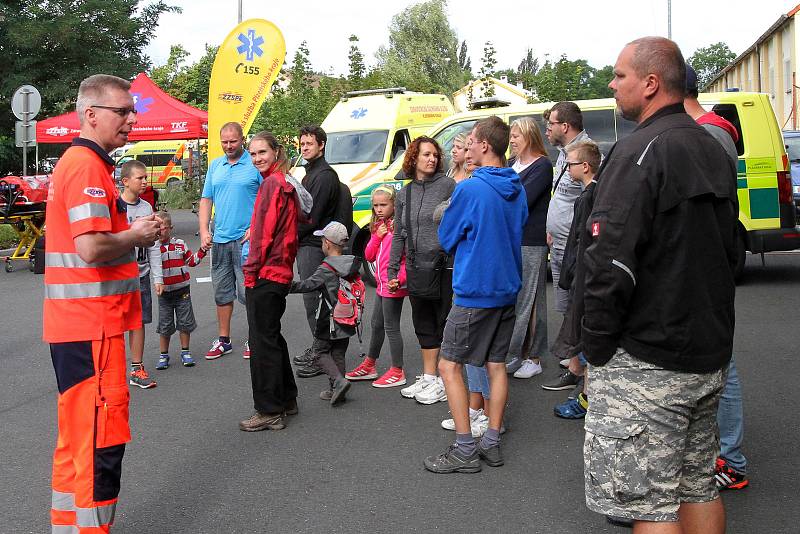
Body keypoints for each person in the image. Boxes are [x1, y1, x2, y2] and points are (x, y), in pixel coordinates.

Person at [582, 37, 737, 533]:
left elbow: (609, 264)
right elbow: (729, 251)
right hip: (706, 352)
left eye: (620, 75)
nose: (612, 84)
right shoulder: (710, 146)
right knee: (696, 485)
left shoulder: (636, 152)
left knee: (648, 503)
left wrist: (596, 347)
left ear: (650, 84)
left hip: (649, 361)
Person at [44, 73, 161, 533]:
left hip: (77, 327)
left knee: (77, 443)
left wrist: (133, 234)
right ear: (91, 114)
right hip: (93, 329)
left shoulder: (77, 163)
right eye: (123, 112)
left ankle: (69, 527)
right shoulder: (87, 166)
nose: (131, 120)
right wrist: (137, 234)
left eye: (131, 111)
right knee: (99, 445)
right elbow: (91, 247)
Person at [424, 116, 528, 473]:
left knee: (449, 365)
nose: (466, 147)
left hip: (475, 290)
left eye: (470, 142)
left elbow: (447, 237)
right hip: (508, 288)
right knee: (496, 365)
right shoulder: (516, 184)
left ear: (484, 145)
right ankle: (492, 440)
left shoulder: (469, 189)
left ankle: (465, 448)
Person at [684, 64, 749, 491]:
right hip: (712, 259)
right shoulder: (716, 130)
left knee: (719, 361)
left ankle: (731, 459)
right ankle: (721, 450)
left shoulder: (706, 133)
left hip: (706, 263)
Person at [239, 131, 307, 431]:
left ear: (276, 151)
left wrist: (250, 272)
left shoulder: (272, 184)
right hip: (280, 272)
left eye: (261, 153)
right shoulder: (286, 182)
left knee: (262, 342)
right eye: (252, 154)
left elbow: (262, 235)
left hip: (267, 273)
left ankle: (269, 410)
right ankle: (287, 399)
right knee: (272, 337)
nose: (256, 159)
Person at [387, 137, 456, 405]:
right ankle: (429, 377)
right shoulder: (405, 193)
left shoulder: (448, 186)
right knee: (422, 321)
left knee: (443, 320)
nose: (432, 159)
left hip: (443, 264)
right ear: (414, 158)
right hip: (416, 265)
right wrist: (393, 270)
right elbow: (398, 234)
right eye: (426, 154)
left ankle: (442, 378)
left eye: (435, 155)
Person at [542, 101, 594, 391]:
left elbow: (587, 200)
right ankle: (575, 359)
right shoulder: (564, 154)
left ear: (565, 126)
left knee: (577, 307)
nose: (548, 129)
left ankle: (580, 368)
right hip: (559, 240)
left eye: (551, 123)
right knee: (566, 305)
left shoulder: (583, 152)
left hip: (572, 244)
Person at [198, 122, 262, 360]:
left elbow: (267, 200)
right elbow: (206, 200)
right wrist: (204, 230)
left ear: (242, 139)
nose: (228, 146)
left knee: (249, 292)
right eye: (224, 142)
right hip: (221, 240)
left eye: (233, 141)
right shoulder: (215, 166)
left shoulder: (254, 164)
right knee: (222, 292)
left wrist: (256, 227)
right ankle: (224, 340)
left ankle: (254, 338)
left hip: (246, 241)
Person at [549, 140, 602, 420]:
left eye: (570, 164)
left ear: (585, 166)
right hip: (581, 273)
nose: (567, 168)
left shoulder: (588, 197)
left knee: (582, 331)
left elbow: (579, 242)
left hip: (583, 275)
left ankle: (585, 395)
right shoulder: (590, 194)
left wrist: (570, 273)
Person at [290, 222, 361, 405]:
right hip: (348, 317)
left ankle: (338, 382)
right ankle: (336, 390)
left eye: (322, 240)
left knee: (319, 352)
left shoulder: (326, 268)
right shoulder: (350, 264)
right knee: (338, 352)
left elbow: (308, 285)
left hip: (329, 319)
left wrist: (285, 286)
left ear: (327, 244)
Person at [345, 185, 409, 387]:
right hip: (382, 284)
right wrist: (376, 236)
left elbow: (407, 260)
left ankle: (397, 370)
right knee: (376, 324)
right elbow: (370, 255)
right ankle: (370, 364)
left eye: (384, 205)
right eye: (375, 206)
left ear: (394, 204)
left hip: (393, 285)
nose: (379, 209)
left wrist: (399, 279)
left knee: (391, 327)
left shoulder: (400, 228)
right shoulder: (379, 227)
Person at [504, 117, 552, 379]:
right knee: (516, 298)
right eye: (511, 136)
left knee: (531, 299)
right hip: (511, 239)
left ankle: (534, 356)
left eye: (516, 136)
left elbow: (521, 199)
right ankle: (517, 354)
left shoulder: (542, 166)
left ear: (530, 137)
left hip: (531, 239)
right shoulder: (511, 164)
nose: (512, 140)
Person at [294, 125, 342, 378]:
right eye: (302, 144)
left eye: (309, 144)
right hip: (309, 245)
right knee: (315, 302)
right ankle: (319, 347)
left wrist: (289, 236)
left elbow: (311, 217)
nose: (304, 148)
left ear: (321, 145)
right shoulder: (311, 173)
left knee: (315, 302)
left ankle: (322, 355)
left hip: (314, 245)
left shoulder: (323, 176)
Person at [120, 160, 163, 389]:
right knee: (116, 322)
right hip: (119, 277)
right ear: (125, 181)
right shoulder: (114, 206)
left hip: (142, 275)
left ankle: (137, 368)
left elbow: (154, 245)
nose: (145, 181)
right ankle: (112, 367)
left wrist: (158, 277)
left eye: (146, 177)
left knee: (138, 321)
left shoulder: (146, 208)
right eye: (140, 178)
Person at [154, 211, 208, 370]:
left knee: (184, 323)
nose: (159, 231)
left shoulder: (180, 244)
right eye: (156, 228)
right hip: (164, 294)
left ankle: (185, 351)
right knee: (164, 325)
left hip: (182, 291)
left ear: (170, 228)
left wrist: (202, 250)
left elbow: (191, 261)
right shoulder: (153, 248)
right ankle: (163, 354)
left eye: (162, 228)